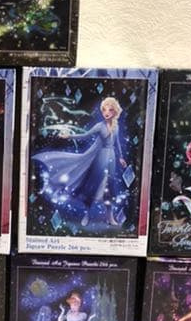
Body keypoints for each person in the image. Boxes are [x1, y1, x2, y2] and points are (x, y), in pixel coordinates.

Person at [33, 97, 127, 227]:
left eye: (110, 110)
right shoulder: (99, 126)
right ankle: (87, 215)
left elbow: (117, 143)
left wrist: (121, 157)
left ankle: (110, 217)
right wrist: (69, 136)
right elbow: (85, 135)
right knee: (93, 187)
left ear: (115, 111)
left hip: (111, 158)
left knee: (110, 188)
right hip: (100, 158)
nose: (106, 112)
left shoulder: (116, 127)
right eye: (104, 110)